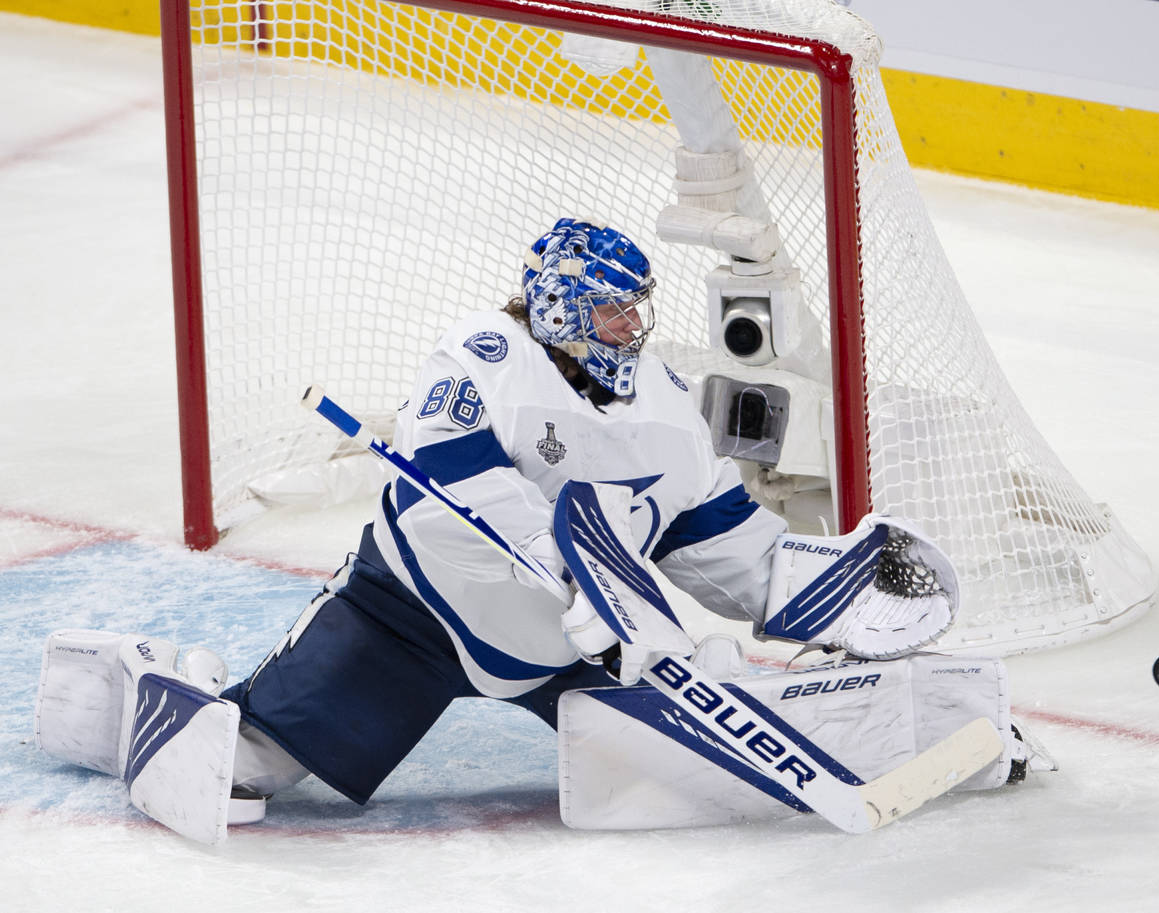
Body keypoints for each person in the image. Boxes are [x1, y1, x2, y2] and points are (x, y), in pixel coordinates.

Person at [36, 218, 1034, 843]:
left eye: (637, 315)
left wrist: (815, 589)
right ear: (561, 307)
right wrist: (599, 586)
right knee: (252, 769)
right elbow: (458, 500)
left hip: (575, 648)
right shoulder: (477, 360)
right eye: (612, 317)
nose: (631, 333)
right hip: (411, 623)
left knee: (708, 771)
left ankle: (926, 714)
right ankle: (140, 687)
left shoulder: (665, 405)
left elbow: (714, 535)